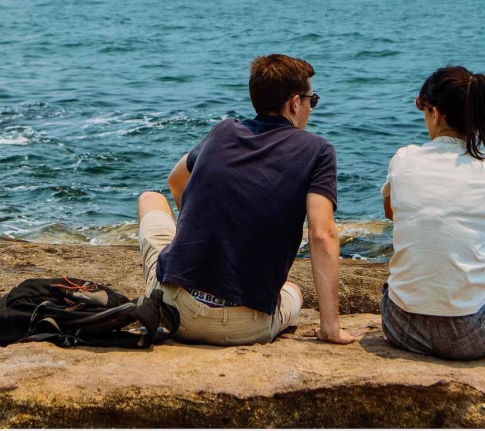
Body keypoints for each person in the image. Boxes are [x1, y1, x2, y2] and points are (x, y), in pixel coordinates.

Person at [136, 53, 357, 346]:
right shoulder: (317, 151)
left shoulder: (222, 131)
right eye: (311, 101)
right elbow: (321, 234)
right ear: (294, 103)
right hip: (242, 325)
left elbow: (176, 180)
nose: (310, 108)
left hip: (175, 311)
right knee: (293, 292)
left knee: (150, 199)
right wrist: (330, 328)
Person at [380, 65, 485, 360]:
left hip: (400, 326)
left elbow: (392, 212)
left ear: (437, 113)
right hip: (470, 337)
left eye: (423, 108)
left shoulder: (402, 158)